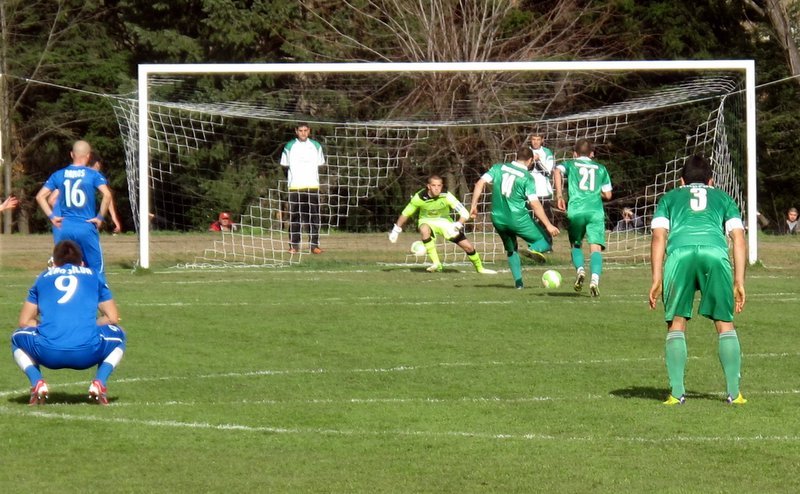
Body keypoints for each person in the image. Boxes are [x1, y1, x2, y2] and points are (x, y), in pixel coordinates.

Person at [648, 155, 747, 406]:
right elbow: (738, 238)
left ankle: (677, 393)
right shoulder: (724, 198)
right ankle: (734, 394)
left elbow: (659, 237)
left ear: (681, 180)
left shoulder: (669, 198)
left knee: (676, 322)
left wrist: (656, 277)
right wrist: (739, 280)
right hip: (714, 253)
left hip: (679, 255)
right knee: (725, 322)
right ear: (711, 181)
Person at [10, 240, 126, 405]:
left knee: (16, 337)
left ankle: (37, 383)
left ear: (54, 262)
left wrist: (46, 326)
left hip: (48, 353)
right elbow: (112, 317)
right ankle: (100, 382)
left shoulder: (43, 277)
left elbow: (24, 321)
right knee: (119, 334)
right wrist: (88, 324)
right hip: (87, 353)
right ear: (81, 262)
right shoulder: (94, 275)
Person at [469, 147, 560, 289]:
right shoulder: (528, 177)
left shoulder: (498, 167)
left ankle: (519, 284)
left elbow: (480, 183)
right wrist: (548, 225)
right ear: (530, 161)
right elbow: (534, 204)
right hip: (518, 219)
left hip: (498, 219)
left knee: (512, 250)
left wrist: (474, 205)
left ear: (516, 156)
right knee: (545, 242)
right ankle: (533, 249)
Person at [389, 175, 495, 274]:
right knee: (424, 230)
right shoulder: (419, 197)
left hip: (445, 222)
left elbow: (464, 213)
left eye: (439, 185)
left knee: (468, 247)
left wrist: (457, 225)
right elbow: (406, 213)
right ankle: (436, 263)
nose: (437, 188)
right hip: (426, 221)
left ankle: (480, 269)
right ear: (428, 186)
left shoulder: (446, 196)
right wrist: (396, 230)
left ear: (442, 186)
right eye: (434, 185)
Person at [35, 140, 112, 275]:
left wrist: (52, 217)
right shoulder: (93, 174)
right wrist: (99, 217)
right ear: (88, 156)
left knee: (62, 269)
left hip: (65, 228)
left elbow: (40, 197)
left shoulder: (59, 174)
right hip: (86, 226)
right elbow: (107, 195)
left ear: (72, 154)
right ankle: (100, 295)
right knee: (96, 270)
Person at [553, 139, 612, 297]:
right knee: (595, 247)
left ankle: (580, 271)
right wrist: (594, 192)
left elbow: (556, 171)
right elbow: (608, 194)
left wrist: (559, 194)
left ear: (574, 154)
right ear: (592, 154)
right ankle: (594, 280)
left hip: (576, 210)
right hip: (595, 212)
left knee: (575, 245)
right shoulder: (601, 168)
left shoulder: (571, 164)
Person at [280, 122, 325, 254]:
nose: (303, 133)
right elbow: (284, 164)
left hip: (312, 186)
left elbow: (320, 163)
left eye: (305, 130)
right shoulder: (289, 146)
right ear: (296, 131)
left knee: (314, 217)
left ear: (309, 131)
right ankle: (294, 246)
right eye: (301, 130)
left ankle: (314, 246)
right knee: (295, 217)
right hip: (295, 186)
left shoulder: (316, 146)